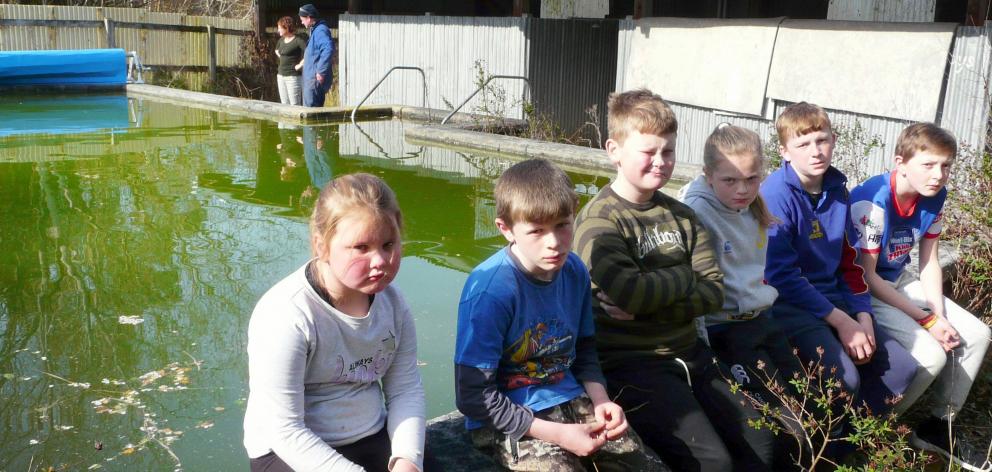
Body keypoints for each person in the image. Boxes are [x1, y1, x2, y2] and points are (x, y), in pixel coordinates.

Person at [573, 89, 776, 471]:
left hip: (693, 355)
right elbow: (629, 293)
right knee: (713, 463)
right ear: (614, 149)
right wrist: (685, 277)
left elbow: (713, 292)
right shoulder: (600, 221)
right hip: (634, 365)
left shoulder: (682, 216)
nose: (660, 162)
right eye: (648, 152)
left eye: (667, 151)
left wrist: (657, 293)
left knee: (764, 438)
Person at [454, 159, 668, 471]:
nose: (553, 243)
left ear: (574, 214)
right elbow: (474, 396)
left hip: (568, 396)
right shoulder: (491, 291)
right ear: (506, 229)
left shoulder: (574, 270)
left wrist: (601, 401)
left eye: (562, 226)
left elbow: (583, 350)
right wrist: (559, 435)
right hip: (511, 416)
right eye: (536, 231)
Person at [244, 174, 427, 472]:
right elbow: (284, 428)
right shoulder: (285, 315)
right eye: (361, 247)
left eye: (388, 244)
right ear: (322, 246)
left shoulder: (394, 305)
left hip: (368, 432)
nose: (380, 260)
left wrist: (408, 459)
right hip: (288, 450)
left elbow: (405, 389)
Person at [760, 102, 918, 443]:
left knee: (903, 367)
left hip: (836, 300)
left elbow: (849, 262)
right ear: (785, 151)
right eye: (803, 144)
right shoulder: (775, 195)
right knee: (844, 378)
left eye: (822, 140)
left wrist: (862, 314)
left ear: (833, 140)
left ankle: (851, 444)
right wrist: (842, 322)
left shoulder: (837, 191)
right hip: (791, 305)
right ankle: (820, 450)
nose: (816, 151)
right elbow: (780, 276)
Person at [849, 122, 991, 471]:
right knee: (931, 356)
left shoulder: (934, 196)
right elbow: (865, 275)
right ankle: (872, 427)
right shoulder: (874, 201)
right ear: (900, 162)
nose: (939, 174)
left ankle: (936, 427)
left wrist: (938, 315)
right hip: (862, 288)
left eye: (946, 165)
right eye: (928, 164)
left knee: (976, 334)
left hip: (897, 279)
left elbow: (928, 261)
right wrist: (925, 320)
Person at [677, 124, 814, 467]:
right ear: (708, 175)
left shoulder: (754, 204)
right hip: (726, 330)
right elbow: (694, 292)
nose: (742, 189)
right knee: (777, 427)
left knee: (807, 406)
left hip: (761, 319)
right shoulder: (697, 214)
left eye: (752, 179)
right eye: (730, 180)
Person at [298, 4, 334, 107]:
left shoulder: (320, 30)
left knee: (311, 115)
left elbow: (328, 49)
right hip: (311, 80)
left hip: (314, 81)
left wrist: (321, 72)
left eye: (302, 19)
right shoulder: (315, 30)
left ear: (309, 18)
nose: (301, 22)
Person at [274, 16, 306, 106]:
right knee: (284, 105)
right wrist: (282, 57)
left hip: (293, 78)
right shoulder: (281, 40)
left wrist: (300, 65)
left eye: (280, 28)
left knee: (294, 105)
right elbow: (276, 50)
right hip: (280, 76)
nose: (278, 30)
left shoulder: (298, 41)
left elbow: (309, 54)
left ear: (286, 28)